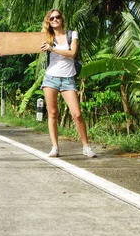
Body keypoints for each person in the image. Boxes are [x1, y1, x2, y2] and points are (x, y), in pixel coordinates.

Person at [39, 9, 97, 158]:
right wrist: (5, 50)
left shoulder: (72, 34)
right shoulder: (47, 37)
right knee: (52, 113)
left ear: (62, 19)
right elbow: (24, 45)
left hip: (68, 79)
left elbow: (72, 53)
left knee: (77, 114)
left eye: (57, 17)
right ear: (48, 22)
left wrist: (52, 48)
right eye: (52, 18)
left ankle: (86, 146)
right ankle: (55, 147)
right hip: (51, 77)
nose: (55, 19)